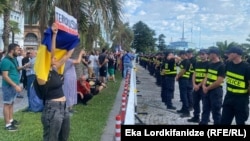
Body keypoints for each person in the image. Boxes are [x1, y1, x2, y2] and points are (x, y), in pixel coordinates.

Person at [36, 23, 76, 141]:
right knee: (51, 138)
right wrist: (53, 35)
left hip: (63, 108)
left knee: (64, 137)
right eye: (52, 58)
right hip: (52, 109)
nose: (55, 58)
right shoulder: (42, 75)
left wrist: (75, 39)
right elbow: (51, 53)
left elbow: (68, 54)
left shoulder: (56, 69)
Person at [1, 43, 28, 131]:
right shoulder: (5, 61)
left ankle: (11, 120)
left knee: (11, 103)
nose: (19, 51)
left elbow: (16, 69)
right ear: (12, 50)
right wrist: (16, 85)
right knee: (7, 104)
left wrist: (24, 67)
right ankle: (8, 125)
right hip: (9, 86)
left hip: (13, 85)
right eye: (17, 49)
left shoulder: (14, 59)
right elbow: (5, 76)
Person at [221, 46, 250, 125]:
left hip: (241, 100)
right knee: (224, 121)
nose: (228, 55)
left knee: (240, 122)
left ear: (235, 54)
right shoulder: (228, 64)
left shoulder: (246, 67)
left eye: (229, 53)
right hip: (229, 97)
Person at [200, 47, 225, 125]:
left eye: (209, 53)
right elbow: (207, 76)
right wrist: (204, 85)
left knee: (216, 111)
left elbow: (219, 81)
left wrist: (207, 88)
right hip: (207, 90)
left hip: (216, 91)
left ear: (214, 54)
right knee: (205, 108)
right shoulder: (210, 64)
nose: (208, 55)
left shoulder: (222, 66)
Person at [187, 49, 209, 123]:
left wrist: (199, 85)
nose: (201, 55)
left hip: (203, 87)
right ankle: (196, 117)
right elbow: (194, 74)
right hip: (196, 86)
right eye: (200, 54)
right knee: (195, 102)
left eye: (203, 54)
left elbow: (207, 76)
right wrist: (194, 84)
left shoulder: (209, 64)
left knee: (205, 104)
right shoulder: (197, 63)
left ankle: (205, 118)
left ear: (207, 55)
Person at [175, 50, 191, 117]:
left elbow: (183, 71)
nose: (180, 56)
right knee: (182, 95)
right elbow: (179, 68)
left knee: (184, 95)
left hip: (184, 80)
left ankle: (187, 111)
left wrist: (178, 76)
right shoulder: (183, 61)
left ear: (184, 54)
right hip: (182, 79)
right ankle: (183, 109)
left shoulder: (186, 62)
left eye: (180, 55)